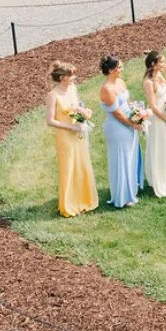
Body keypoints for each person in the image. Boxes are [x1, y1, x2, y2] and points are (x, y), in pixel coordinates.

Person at [44, 62, 98, 218]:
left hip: (78, 133)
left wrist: (82, 118)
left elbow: (76, 107)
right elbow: (50, 120)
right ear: (62, 77)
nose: (74, 78)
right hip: (65, 136)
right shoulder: (53, 95)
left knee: (81, 164)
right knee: (68, 167)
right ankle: (68, 204)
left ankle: (84, 199)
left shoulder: (73, 89)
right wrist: (71, 128)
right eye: (71, 75)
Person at [99, 55, 143, 209]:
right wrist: (132, 124)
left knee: (130, 157)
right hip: (117, 128)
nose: (122, 69)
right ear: (111, 70)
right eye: (119, 67)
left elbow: (128, 102)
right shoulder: (106, 89)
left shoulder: (120, 82)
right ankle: (122, 196)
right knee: (121, 160)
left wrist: (138, 114)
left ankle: (130, 190)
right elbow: (117, 113)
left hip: (129, 123)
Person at [142, 50, 166, 199]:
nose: (164, 64)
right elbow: (152, 106)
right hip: (158, 119)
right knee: (159, 148)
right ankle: (159, 181)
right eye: (162, 62)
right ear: (153, 64)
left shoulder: (159, 76)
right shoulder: (148, 82)